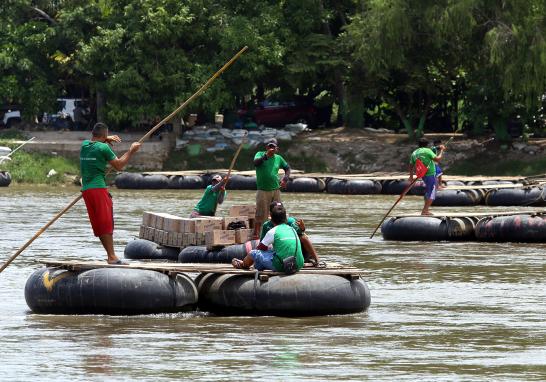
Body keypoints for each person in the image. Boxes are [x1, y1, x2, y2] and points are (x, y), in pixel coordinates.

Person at [80, 122, 141, 264]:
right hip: (98, 189)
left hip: (87, 190)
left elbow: (96, 142)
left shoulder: (84, 145)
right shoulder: (104, 148)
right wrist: (131, 150)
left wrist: (105, 138)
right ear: (105, 135)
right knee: (106, 223)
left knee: (99, 224)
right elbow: (119, 166)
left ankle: (110, 256)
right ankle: (112, 257)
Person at [232, 204, 304, 272]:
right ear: (285, 219)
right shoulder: (292, 229)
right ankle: (258, 265)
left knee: (253, 253)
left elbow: (260, 249)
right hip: (298, 264)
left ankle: (243, 264)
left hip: (283, 266)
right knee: (270, 253)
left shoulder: (273, 231)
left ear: (271, 220)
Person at [260, 201, 320, 266]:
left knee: (303, 237)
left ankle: (316, 260)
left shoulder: (290, 221)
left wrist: (302, 228)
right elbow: (262, 244)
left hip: (297, 250)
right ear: (271, 214)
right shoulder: (267, 226)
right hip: (279, 249)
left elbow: (300, 232)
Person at [253, 138, 290, 239]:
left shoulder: (279, 158)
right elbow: (256, 163)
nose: (271, 149)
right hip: (263, 190)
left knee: (278, 212)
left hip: (276, 190)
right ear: (266, 147)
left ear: (277, 148)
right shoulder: (260, 154)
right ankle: (256, 235)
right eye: (270, 146)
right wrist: (266, 156)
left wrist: (285, 179)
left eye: (273, 147)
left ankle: (278, 233)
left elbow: (287, 168)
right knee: (261, 213)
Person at [409, 138, 444, 216]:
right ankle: (425, 210)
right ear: (427, 144)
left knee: (429, 191)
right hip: (430, 174)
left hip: (423, 175)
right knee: (432, 192)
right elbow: (438, 159)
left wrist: (411, 176)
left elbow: (411, 165)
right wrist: (442, 150)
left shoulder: (414, 153)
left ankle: (426, 209)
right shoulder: (427, 150)